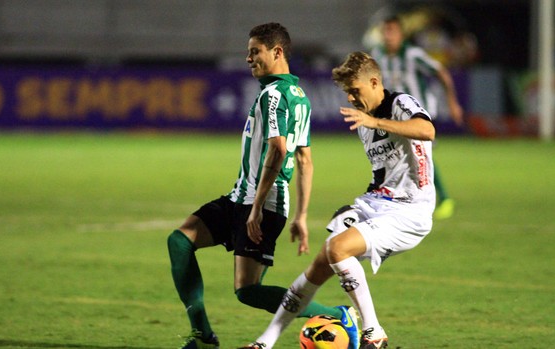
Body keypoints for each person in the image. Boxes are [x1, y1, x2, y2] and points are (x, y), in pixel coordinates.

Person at [167, 23, 358, 349]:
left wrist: (256, 209)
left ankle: (338, 316)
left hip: (260, 202)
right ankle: (202, 336)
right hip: (244, 197)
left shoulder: (272, 95)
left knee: (248, 290)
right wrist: (301, 215)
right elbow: (305, 160)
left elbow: (280, 149)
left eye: (255, 51)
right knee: (180, 241)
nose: (248, 58)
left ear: (277, 52)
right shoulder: (300, 97)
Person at [238, 51, 436, 349]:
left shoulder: (400, 103)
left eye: (355, 91)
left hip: (410, 210)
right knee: (320, 264)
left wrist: (374, 121)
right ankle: (265, 343)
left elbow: (427, 130)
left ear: (374, 82)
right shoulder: (364, 123)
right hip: (376, 204)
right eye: (348, 94)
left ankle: (374, 333)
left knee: (337, 248)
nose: (353, 99)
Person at [371, 15, 462, 220]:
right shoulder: (377, 55)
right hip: (395, 115)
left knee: (419, 152)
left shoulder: (413, 55)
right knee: (399, 155)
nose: (388, 36)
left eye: (392, 31)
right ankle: (405, 197)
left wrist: (453, 103)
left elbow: (441, 73)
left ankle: (443, 198)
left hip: (417, 113)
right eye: (385, 31)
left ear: (401, 34)